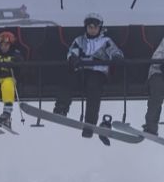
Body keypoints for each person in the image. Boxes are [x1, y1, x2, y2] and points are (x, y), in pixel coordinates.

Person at [53, 13, 124, 144]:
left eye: (95, 27)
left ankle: (90, 123)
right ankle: (61, 109)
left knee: (93, 88)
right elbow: (71, 52)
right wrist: (73, 58)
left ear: (100, 28)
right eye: (89, 27)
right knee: (68, 79)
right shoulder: (79, 40)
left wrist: (116, 57)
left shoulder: (105, 41)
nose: (92, 29)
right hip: (81, 70)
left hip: (97, 72)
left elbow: (115, 51)